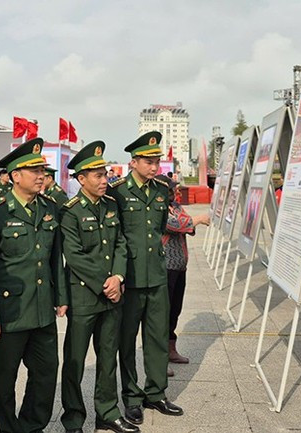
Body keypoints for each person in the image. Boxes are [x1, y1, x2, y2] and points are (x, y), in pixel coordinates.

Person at [0, 137, 68, 433]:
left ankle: (31, 426)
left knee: (46, 374)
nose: (42, 176)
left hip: (41, 311)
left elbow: (55, 259)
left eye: (43, 170)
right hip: (8, 314)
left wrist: (61, 296)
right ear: (15, 176)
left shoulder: (50, 208)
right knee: (5, 379)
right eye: (34, 170)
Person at [59, 141, 138, 433]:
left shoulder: (110, 206)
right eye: (98, 176)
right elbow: (74, 254)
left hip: (112, 295)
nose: (105, 180)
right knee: (75, 362)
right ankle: (73, 419)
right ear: (81, 179)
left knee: (108, 359)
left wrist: (117, 277)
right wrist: (104, 283)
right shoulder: (70, 211)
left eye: (105, 174)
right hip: (84, 297)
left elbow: (119, 243)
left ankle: (107, 412)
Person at [108, 131, 183, 425]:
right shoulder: (118, 192)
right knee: (126, 342)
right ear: (133, 161)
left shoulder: (162, 190)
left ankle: (157, 393)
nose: (155, 167)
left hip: (156, 275)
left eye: (157, 161)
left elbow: (161, 227)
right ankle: (132, 397)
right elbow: (115, 237)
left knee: (156, 338)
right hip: (130, 278)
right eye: (149, 161)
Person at [161, 176, 209, 368]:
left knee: (175, 310)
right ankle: (160, 358)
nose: (177, 192)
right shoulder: (158, 209)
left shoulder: (176, 206)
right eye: (173, 189)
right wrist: (195, 220)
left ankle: (171, 349)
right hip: (166, 267)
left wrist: (188, 222)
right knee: (163, 314)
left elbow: (184, 223)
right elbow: (175, 224)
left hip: (180, 266)